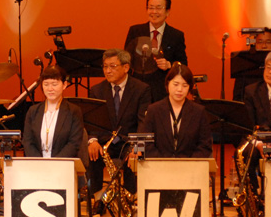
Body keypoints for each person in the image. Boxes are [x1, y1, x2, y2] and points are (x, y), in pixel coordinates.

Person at [87, 49, 151, 198]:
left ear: (126, 67)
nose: (108, 71)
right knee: (92, 154)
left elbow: (144, 122)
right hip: (105, 142)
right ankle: (97, 199)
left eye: (112, 66)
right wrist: (92, 140)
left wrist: (138, 145)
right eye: (105, 67)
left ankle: (132, 198)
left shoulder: (141, 89)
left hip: (129, 141)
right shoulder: (97, 90)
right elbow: (92, 121)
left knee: (135, 157)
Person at [123, 0, 188, 100]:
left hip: (163, 91)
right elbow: (126, 61)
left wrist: (169, 65)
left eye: (158, 8)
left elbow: (183, 64)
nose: (154, 12)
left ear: (167, 12)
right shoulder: (135, 31)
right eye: (151, 8)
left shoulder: (176, 35)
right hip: (138, 90)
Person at [139, 64, 213, 158]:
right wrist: (164, 162)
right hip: (160, 164)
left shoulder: (199, 112)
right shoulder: (154, 110)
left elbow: (205, 145)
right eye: (175, 84)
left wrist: (189, 163)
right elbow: (146, 143)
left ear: (189, 87)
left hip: (190, 165)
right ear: (167, 84)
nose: (179, 89)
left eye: (185, 85)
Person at [22, 65, 85, 159]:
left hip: (63, 163)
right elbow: (27, 141)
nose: (50, 89)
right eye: (46, 84)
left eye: (54, 84)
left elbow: (74, 143)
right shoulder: (33, 111)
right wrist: (39, 162)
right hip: (37, 163)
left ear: (64, 85)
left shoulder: (73, 111)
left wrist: (54, 163)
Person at [232, 28, 271, 100]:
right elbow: (237, 98)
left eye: (268, 42)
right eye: (260, 42)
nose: (264, 46)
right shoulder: (245, 69)